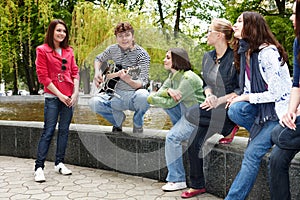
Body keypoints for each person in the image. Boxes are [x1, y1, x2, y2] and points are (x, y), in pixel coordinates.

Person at [224, 12, 291, 200]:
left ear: (251, 27)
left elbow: (276, 94)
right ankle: (260, 134)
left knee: (251, 155)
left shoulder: (268, 53)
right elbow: (247, 89)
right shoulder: (246, 53)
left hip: (276, 114)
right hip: (261, 113)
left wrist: (244, 96)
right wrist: (239, 97)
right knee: (235, 109)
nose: (234, 25)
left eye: (239, 22)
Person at [181, 18, 240, 198]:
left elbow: (240, 89)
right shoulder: (208, 57)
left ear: (219, 35)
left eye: (209, 31)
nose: (207, 35)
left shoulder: (236, 56)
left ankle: (229, 126)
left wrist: (219, 100)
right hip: (212, 109)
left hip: (228, 107)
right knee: (193, 144)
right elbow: (206, 84)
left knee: (191, 113)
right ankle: (198, 185)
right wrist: (209, 96)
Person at [147, 48, 205, 191]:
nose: (164, 60)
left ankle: (177, 179)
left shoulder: (188, 78)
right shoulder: (173, 77)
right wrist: (166, 91)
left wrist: (154, 97)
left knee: (172, 138)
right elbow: (157, 94)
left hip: (197, 118)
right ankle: (179, 128)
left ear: (177, 60)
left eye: (168, 57)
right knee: (167, 105)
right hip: (185, 114)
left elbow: (169, 102)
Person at [34, 19, 80, 182]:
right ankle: (39, 167)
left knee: (64, 131)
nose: (62, 34)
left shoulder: (69, 51)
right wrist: (61, 95)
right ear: (51, 31)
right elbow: (43, 77)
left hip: (69, 97)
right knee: (48, 131)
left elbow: (75, 72)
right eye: (58, 30)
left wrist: (74, 94)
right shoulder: (42, 50)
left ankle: (59, 163)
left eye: (64, 31)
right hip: (54, 97)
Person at [89, 22, 150, 134]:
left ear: (133, 36)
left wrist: (129, 80)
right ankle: (117, 120)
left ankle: (137, 123)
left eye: (127, 35)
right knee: (93, 103)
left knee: (144, 96)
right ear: (116, 38)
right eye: (120, 36)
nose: (124, 39)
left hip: (134, 95)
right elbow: (98, 59)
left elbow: (142, 82)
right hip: (115, 94)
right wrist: (97, 72)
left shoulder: (142, 55)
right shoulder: (113, 49)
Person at [269, 1, 300, 199]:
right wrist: (291, 111)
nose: (291, 18)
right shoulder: (298, 42)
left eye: (295, 13)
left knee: (280, 136)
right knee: (277, 156)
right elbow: (296, 84)